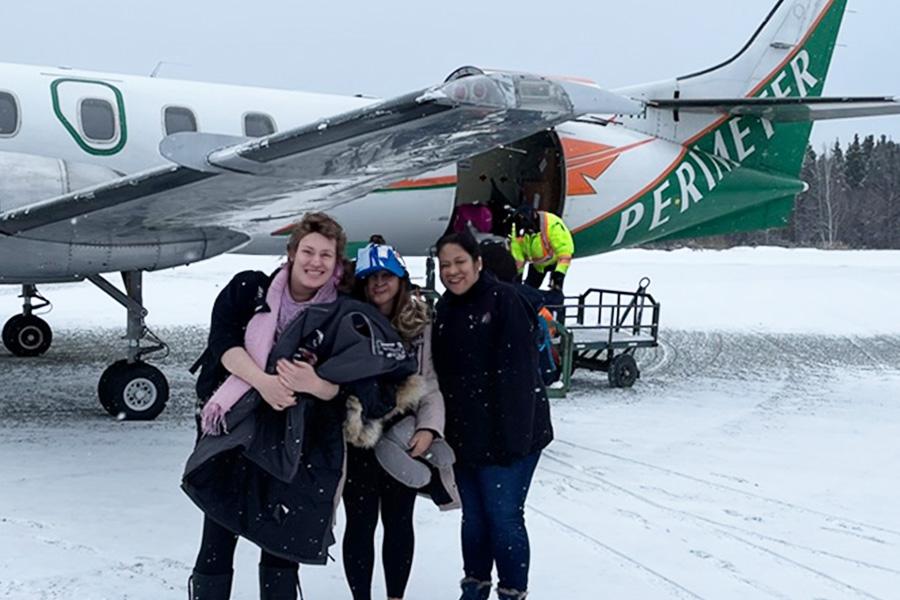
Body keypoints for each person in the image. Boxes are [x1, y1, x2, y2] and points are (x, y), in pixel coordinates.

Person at [182, 213, 417, 600]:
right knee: (217, 542)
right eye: (308, 251)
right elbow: (223, 343)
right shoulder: (249, 291)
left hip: (297, 447)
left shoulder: (344, 316)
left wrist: (320, 384)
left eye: (326, 255)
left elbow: (364, 387)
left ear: (337, 264)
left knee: (280, 551)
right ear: (291, 254)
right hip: (238, 436)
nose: (316, 262)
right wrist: (265, 383)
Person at [431, 230, 554, 600]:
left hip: (512, 436)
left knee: (504, 518)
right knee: (475, 518)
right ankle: (475, 586)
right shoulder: (445, 309)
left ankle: (512, 592)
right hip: (467, 436)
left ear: (478, 263)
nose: (453, 272)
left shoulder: (504, 301)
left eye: (460, 262)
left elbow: (518, 378)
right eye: (445, 265)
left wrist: (510, 445)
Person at [342, 235, 459, 600]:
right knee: (360, 526)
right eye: (371, 276)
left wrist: (428, 428)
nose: (379, 283)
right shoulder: (347, 319)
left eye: (387, 275)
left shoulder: (418, 324)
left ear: (400, 279)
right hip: (358, 436)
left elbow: (429, 383)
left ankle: (395, 597)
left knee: (398, 522)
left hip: (401, 436)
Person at [509, 205, 575, 294]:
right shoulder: (518, 229)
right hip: (537, 265)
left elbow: (565, 253)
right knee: (527, 291)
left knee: (556, 293)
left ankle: (556, 305)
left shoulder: (552, 225)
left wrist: (559, 275)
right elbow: (518, 254)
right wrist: (517, 275)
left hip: (554, 262)